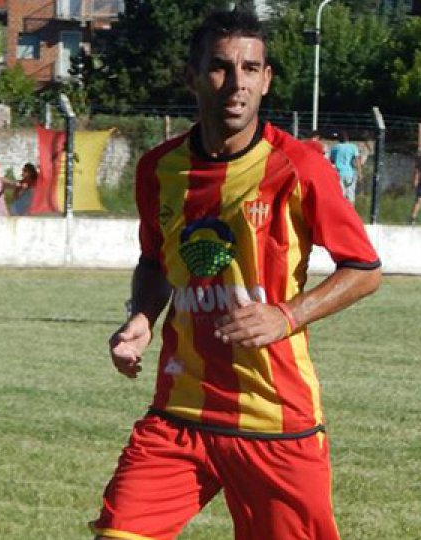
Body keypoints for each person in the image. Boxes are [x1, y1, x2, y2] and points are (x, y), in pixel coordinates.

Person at [90, 10, 382, 540]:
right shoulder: (158, 169)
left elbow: (364, 270)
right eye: (221, 67)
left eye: (251, 68)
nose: (237, 82)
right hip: (181, 412)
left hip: (274, 420)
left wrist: (287, 315)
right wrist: (142, 316)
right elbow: (155, 260)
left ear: (267, 80)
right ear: (193, 76)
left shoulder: (299, 167)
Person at [328, 130, 361, 203]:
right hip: (350, 173)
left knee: (340, 195)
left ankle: (341, 213)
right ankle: (351, 212)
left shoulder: (335, 148)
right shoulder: (353, 147)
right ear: (348, 138)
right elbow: (357, 160)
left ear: (339, 139)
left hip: (338, 174)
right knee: (350, 195)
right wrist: (359, 173)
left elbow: (331, 161)